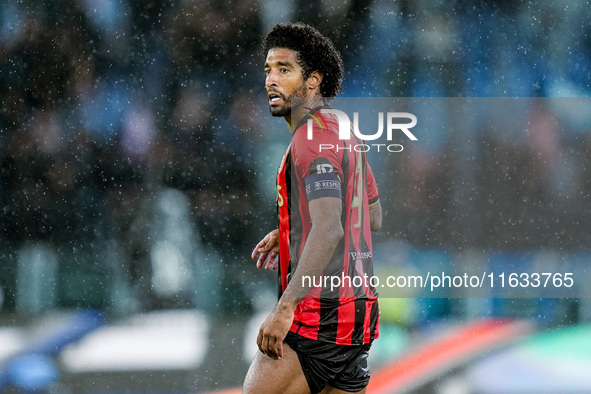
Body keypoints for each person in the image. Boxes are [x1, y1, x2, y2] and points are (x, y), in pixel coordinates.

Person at [243, 22, 382, 394]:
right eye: (268, 70)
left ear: (313, 80)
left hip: (318, 319)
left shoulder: (309, 139)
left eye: (284, 70)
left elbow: (329, 229)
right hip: (357, 319)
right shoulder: (343, 129)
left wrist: (285, 308)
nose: (271, 80)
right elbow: (373, 216)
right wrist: (292, 227)